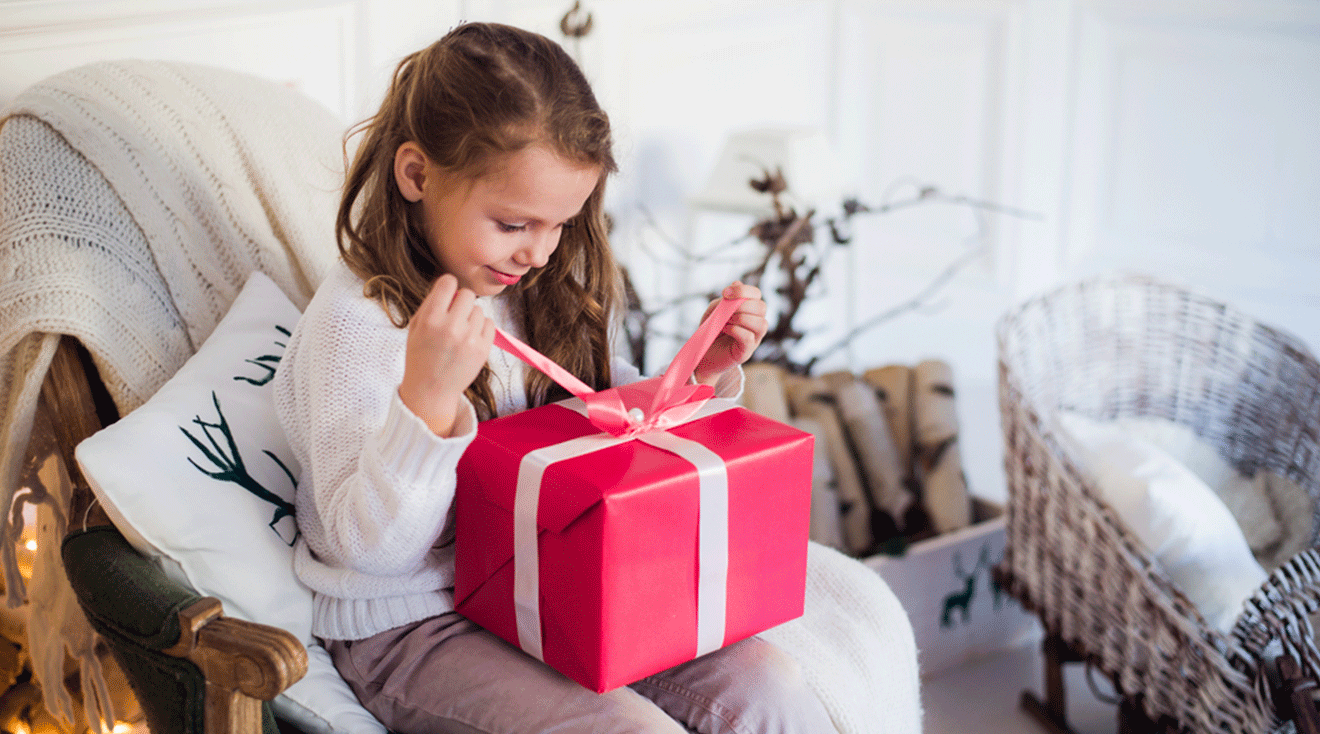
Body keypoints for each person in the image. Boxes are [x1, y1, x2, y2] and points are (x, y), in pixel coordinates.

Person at [272, 21, 834, 734]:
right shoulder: (359, 324)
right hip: (412, 624)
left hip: (552, 579)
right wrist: (428, 403)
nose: (538, 252)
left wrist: (698, 376)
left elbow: (599, 422)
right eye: (512, 223)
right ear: (416, 175)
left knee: (770, 686)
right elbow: (367, 551)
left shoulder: (543, 283)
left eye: (560, 224)